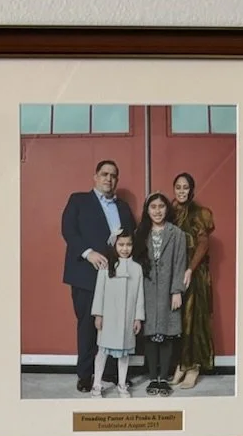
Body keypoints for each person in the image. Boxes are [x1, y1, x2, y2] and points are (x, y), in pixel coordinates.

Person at [61, 160, 136, 393]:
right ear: (95, 177)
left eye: (113, 175)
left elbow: (132, 237)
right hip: (86, 275)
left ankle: (112, 374)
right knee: (88, 326)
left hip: (116, 278)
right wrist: (88, 253)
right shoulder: (78, 200)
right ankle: (85, 376)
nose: (108, 179)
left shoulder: (123, 207)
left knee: (115, 324)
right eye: (104, 174)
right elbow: (68, 230)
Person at [136, 192, 187, 394]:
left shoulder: (177, 234)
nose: (157, 211)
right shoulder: (140, 233)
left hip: (167, 291)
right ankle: (152, 378)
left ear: (167, 209)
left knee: (166, 333)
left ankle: (163, 377)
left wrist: (177, 291)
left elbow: (180, 263)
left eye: (161, 206)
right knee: (150, 334)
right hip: (146, 291)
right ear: (147, 211)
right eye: (153, 207)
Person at [171, 171, 216, 388]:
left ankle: (194, 366)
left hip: (195, 274)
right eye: (178, 187)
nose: (181, 191)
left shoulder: (200, 213)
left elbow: (203, 243)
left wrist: (190, 268)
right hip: (174, 272)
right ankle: (181, 363)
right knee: (177, 320)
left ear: (192, 190)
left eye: (185, 187)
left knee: (193, 319)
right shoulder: (169, 211)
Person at [89, 230, 145, 396]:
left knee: (124, 353)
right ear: (114, 245)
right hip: (109, 316)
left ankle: (122, 384)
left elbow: (140, 295)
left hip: (127, 318)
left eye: (128, 245)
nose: (125, 248)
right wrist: (98, 315)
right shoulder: (107, 266)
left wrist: (138, 318)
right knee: (102, 351)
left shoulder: (137, 268)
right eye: (121, 245)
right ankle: (97, 384)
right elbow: (99, 292)